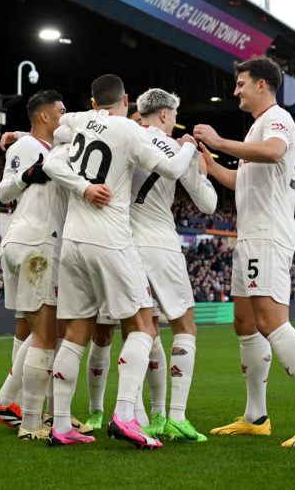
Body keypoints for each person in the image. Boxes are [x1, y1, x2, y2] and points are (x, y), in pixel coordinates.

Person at [194, 55, 295, 447]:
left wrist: (218, 141)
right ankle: (255, 416)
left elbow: (276, 151)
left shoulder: (277, 119)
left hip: (267, 234)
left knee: (271, 319)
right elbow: (241, 179)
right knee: (244, 321)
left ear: (262, 84)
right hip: (249, 234)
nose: (236, 90)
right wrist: (211, 165)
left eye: (241, 83)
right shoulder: (257, 128)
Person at [42, 73, 197, 448]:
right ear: (126, 100)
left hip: (73, 242)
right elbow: (174, 169)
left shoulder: (78, 120)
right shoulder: (130, 132)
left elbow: (51, 160)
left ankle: (61, 425)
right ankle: (124, 415)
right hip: (110, 240)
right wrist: (189, 145)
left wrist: (82, 186)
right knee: (143, 326)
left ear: (93, 102)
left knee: (76, 334)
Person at [0, 90, 103, 441]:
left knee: (36, 329)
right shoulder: (28, 149)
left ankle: (24, 407)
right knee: (47, 332)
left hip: (35, 241)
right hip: (36, 242)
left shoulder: (49, 148)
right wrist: (27, 173)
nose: (66, 115)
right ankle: (30, 419)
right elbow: (3, 191)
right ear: (44, 116)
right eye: (62, 110)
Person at [127, 88, 218, 442]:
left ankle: (142, 416)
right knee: (184, 325)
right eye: (175, 115)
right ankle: (176, 415)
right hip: (160, 244)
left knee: (140, 330)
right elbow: (208, 204)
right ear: (165, 115)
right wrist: (198, 163)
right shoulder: (175, 147)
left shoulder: (126, 134)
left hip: (124, 244)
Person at [83, 98, 149, 432]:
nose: (139, 125)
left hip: (136, 250)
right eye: (135, 119)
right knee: (103, 333)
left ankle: (138, 410)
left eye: (143, 120)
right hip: (108, 245)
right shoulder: (119, 145)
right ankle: (98, 409)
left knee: (140, 330)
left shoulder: (145, 151)